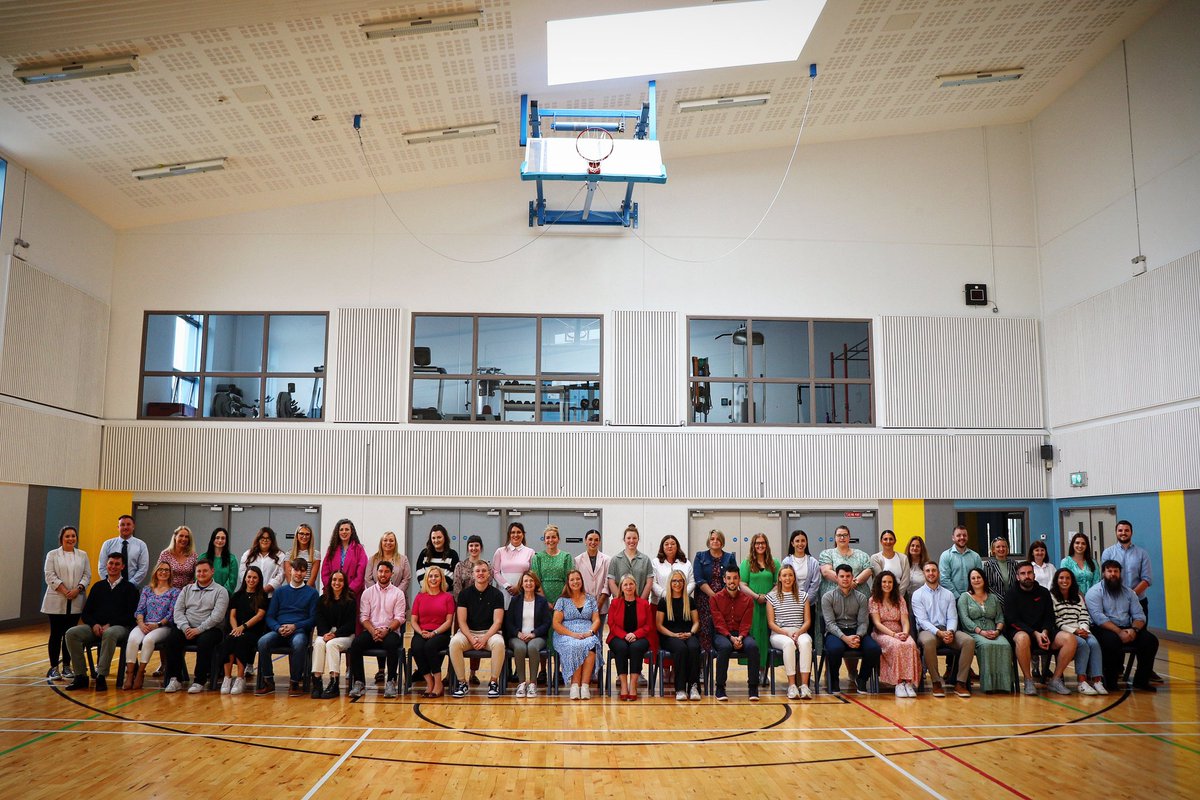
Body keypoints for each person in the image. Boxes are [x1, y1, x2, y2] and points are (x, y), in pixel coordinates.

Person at [63, 551, 139, 691]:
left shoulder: (130, 588)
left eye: (117, 564)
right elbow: (86, 613)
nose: (113, 566)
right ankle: (80, 676)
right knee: (71, 633)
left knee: (109, 633)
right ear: (106, 565)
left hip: (119, 627)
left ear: (122, 567)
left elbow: (131, 615)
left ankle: (101, 676)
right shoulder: (98, 587)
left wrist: (110, 624)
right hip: (96, 627)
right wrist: (94, 624)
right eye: (111, 563)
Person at [1085, 559, 1159, 693]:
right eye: (1109, 571)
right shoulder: (1094, 592)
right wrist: (1119, 632)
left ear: (1120, 574)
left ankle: (1141, 681)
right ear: (1103, 573)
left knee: (1150, 641)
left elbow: (1139, 615)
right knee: (1111, 642)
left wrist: (1134, 630)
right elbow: (1098, 618)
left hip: (1128, 628)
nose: (1113, 574)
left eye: (1116, 571)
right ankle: (1111, 681)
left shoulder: (1129, 593)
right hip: (1103, 628)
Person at [1005, 561, 1077, 696]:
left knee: (1070, 639)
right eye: (1023, 573)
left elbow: (1049, 617)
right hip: (1022, 632)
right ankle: (1028, 680)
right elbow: (1012, 620)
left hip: (1043, 632)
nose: (1027, 576)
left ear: (1034, 575)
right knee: (1022, 638)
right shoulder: (1011, 594)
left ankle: (1055, 680)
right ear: (1017, 577)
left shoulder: (1043, 592)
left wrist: (1044, 632)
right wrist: (1034, 634)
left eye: (1029, 573)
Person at [255, 557, 319, 697]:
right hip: (280, 630)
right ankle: (268, 681)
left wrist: (295, 626)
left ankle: (295, 682)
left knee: (299, 643)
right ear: (290, 570)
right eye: (296, 570)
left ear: (305, 574)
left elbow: (313, 619)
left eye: (302, 571)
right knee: (263, 642)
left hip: (298, 631)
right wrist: (278, 628)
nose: (298, 574)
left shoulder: (312, 593)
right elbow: (270, 616)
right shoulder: (280, 592)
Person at [163, 558, 229, 694]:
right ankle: (175, 679)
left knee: (205, 641)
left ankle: (199, 680)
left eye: (205, 571)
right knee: (172, 639)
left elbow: (217, 617)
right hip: (187, 628)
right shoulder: (187, 589)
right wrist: (185, 627)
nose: (201, 574)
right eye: (199, 571)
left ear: (212, 571)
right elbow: (178, 611)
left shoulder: (221, 591)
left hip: (210, 629)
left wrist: (198, 630)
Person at [911, 561, 974, 698]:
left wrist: (950, 632)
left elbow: (952, 617)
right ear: (924, 574)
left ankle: (960, 683)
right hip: (928, 631)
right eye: (928, 571)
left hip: (947, 630)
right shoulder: (917, 594)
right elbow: (922, 621)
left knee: (968, 641)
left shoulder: (948, 594)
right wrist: (938, 632)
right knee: (928, 642)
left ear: (938, 573)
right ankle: (936, 682)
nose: (931, 573)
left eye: (934, 570)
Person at [347, 560, 406, 699]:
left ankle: (391, 681)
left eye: (386, 571)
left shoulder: (398, 594)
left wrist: (387, 630)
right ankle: (359, 681)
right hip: (371, 631)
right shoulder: (367, 593)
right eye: (380, 571)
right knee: (355, 644)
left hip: (390, 631)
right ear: (376, 573)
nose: (383, 574)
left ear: (391, 574)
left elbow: (400, 618)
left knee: (392, 644)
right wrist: (373, 631)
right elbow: (364, 617)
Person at [822, 564, 881, 695]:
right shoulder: (827, 597)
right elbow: (830, 623)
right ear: (836, 578)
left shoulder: (861, 597)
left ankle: (862, 679)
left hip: (856, 631)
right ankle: (834, 680)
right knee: (835, 649)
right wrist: (844, 638)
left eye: (848, 576)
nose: (845, 579)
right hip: (836, 632)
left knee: (874, 649)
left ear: (852, 577)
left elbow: (863, 622)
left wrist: (857, 637)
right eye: (842, 576)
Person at [449, 561, 505, 698]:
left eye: (484, 571)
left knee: (499, 643)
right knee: (454, 643)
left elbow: (497, 622)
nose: (481, 573)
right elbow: (461, 621)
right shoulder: (464, 594)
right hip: (469, 634)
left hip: (489, 634)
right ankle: (462, 683)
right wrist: (471, 638)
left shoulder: (497, 594)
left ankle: (493, 683)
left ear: (489, 574)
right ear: (473, 574)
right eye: (478, 571)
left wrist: (484, 638)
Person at [41, 525, 90, 680]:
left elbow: (87, 575)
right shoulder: (53, 554)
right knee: (56, 634)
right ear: (61, 538)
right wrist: (64, 590)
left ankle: (67, 666)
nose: (70, 539)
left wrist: (78, 589)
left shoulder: (82, 555)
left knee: (70, 634)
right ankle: (54, 667)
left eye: (73, 536)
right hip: (56, 599)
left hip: (76, 599)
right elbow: (49, 575)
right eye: (67, 536)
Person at [123, 562, 180, 690]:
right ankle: (129, 674)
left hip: (163, 627)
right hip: (144, 624)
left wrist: (158, 624)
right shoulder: (147, 589)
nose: (163, 572)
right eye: (160, 569)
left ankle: (140, 673)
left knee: (149, 640)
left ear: (170, 574)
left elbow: (172, 614)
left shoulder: (175, 592)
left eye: (167, 570)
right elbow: (140, 609)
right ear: (155, 572)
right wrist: (141, 623)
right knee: (132, 639)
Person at [956, 567, 1013, 694]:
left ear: (983, 579)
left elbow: (1000, 617)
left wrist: (997, 631)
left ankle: (1004, 684)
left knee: (1006, 645)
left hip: (993, 631)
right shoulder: (964, 598)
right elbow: (965, 619)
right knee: (986, 645)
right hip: (974, 632)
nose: (976, 580)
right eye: (973, 578)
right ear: (969, 581)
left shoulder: (993, 598)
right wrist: (981, 632)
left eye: (978, 577)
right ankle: (989, 685)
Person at [1051, 568, 1105, 696]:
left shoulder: (1078, 597)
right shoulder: (1051, 597)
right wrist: (1075, 631)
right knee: (1082, 644)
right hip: (1065, 631)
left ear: (1072, 581)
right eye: (1061, 578)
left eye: (1068, 578)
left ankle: (1097, 680)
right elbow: (1057, 620)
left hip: (1081, 629)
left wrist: (1084, 629)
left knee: (1094, 643)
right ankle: (1082, 681)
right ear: (1056, 580)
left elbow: (1084, 616)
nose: (1064, 581)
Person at [368, 530, 413, 683]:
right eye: (385, 540)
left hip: (398, 603)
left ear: (395, 543)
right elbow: (368, 579)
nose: (388, 543)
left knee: (393, 638)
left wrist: (393, 594)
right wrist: (379, 593)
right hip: (376, 603)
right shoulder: (373, 559)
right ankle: (381, 670)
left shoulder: (402, 559)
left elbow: (407, 578)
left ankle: (393, 673)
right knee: (378, 633)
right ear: (381, 542)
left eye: (391, 540)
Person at [711, 564, 759, 701]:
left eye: (735, 578)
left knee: (753, 647)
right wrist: (731, 638)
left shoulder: (748, 600)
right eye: (729, 578)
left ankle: (753, 687)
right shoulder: (715, 599)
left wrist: (740, 637)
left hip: (742, 634)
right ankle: (720, 687)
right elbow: (718, 623)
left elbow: (746, 623)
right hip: (722, 635)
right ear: (724, 580)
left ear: (739, 579)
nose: (732, 581)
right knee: (725, 647)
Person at [217, 565, 268, 696]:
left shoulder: (262, 595)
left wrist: (243, 628)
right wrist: (235, 629)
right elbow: (232, 616)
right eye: (249, 577)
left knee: (241, 641)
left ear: (259, 579)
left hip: (253, 632)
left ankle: (240, 678)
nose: (251, 580)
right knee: (229, 640)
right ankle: (227, 678)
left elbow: (260, 615)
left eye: (254, 578)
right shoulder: (237, 595)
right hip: (237, 629)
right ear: (245, 578)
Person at [869, 570, 920, 698]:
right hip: (882, 633)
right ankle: (898, 683)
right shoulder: (873, 600)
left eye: (890, 582)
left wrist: (905, 633)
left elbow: (904, 620)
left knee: (910, 644)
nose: (887, 584)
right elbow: (877, 623)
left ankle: (908, 682)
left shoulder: (900, 599)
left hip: (899, 632)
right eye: (884, 582)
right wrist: (893, 635)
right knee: (897, 646)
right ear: (879, 584)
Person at [766, 564, 813, 700]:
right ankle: (792, 686)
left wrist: (798, 633)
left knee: (805, 643)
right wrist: (785, 633)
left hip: (799, 631)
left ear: (794, 578)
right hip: (779, 634)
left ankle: (804, 686)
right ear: (779, 578)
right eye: (784, 575)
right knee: (789, 645)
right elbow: (771, 623)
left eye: (790, 575)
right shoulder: (772, 597)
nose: (787, 578)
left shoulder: (803, 596)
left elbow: (807, 621)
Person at [553, 569, 601, 700]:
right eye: (572, 580)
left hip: (586, 632)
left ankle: (584, 685)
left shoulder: (590, 599)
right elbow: (556, 624)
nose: (575, 582)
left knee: (590, 646)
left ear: (582, 581)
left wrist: (590, 632)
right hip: (566, 634)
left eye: (578, 579)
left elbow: (596, 619)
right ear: (568, 583)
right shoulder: (562, 600)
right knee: (575, 646)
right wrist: (572, 634)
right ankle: (574, 685)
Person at [608, 574, 657, 701]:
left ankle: (633, 685)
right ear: (621, 588)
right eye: (625, 584)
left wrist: (635, 634)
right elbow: (611, 625)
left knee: (636, 647)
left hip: (640, 637)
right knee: (622, 647)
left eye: (631, 584)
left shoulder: (644, 603)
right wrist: (625, 635)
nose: (628, 587)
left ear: (635, 586)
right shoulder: (615, 603)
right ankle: (624, 685)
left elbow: (649, 625)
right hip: (618, 636)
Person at [409, 565, 455, 698]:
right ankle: (429, 682)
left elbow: (448, 621)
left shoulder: (447, 597)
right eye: (430, 576)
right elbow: (413, 620)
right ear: (426, 579)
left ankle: (438, 683)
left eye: (436, 576)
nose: (433, 579)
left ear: (441, 579)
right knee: (417, 647)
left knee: (430, 646)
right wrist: (421, 631)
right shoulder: (420, 597)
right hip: (421, 631)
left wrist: (434, 633)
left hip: (441, 633)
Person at [657, 568, 702, 701]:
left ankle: (694, 687)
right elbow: (659, 625)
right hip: (669, 636)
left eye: (680, 581)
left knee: (694, 647)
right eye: (674, 581)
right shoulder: (664, 601)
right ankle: (680, 688)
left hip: (688, 634)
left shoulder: (690, 600)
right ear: (670, 583)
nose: (677, 583)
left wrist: (690, 633)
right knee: (681, 649)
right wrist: (674, 635)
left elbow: (696, 622)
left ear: (684, 582)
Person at [504, 571, 551, 698]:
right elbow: (509, 622)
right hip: (517, 636)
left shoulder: (542, 601)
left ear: (535, 583)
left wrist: (534, 634)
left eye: (531, 581)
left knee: (531, 647)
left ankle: (532, 684)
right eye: (526, 581)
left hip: (536, 637)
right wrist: (517, 633)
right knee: (520, 648)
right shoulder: (515, 600)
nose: (528, 583)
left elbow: (547, 623)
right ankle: (522, 683)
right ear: (522, 584)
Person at [311, 569, 356, 699]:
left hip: (345, 635)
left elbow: (350, 625)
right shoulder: (322, 600)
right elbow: (319, 620)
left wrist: (334, 635)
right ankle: (317, 682)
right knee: (318, 644)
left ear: (345, 583)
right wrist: (326, 633)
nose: (337, 583)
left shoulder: (351, 600)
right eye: (334, 580)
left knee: (331, 645)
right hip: (326, 634)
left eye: (340, 580)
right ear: (330, 582)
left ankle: (334, 682)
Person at [451, 533, 489, 687]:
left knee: (478, 639)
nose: (474, 548)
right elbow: (457, 587)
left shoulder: (487, 565)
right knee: (457, 640)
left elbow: (488, 586)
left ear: (480, 548)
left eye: (476, 545)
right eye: (471, 545)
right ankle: (452, 674)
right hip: (462, 608)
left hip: (480, 609)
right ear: (468, 548)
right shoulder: (460, 566)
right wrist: (464, 604)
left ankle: (473, 673)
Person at [693, 529, 738, 656]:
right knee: (704, 632)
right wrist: (714, 596)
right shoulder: (700, 556)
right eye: (712, 539)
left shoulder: (729, 557)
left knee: (721, 630)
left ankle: (719, 664)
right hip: (704, 601)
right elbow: (699, 579)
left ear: (722, 542)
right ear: (708, 541)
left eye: (718, 539)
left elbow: (734, 577)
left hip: (725, 601)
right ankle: (703, 665)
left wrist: (721, 597)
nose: (715, 541)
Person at [740, 533, 779, 670]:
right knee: (754, 636)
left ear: (766, 545)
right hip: (752, 605)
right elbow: (742, 584)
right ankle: (754, 671)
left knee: (767, 637)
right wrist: (756, 596)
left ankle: (765, 670)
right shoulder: (746, 563)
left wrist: (767, 596)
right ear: (753, 545)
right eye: (757, 543)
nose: (760, 545)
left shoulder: (774, 563)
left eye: (763, 543)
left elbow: (778, 583)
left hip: (770, 605)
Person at [818, 525, 873, 599]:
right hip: (833, 599)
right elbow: (826, 572)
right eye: (839, 535)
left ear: (849, 537)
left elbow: (869, 570)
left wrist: (855, 582)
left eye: (845, 535)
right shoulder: (827, 554)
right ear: (835, 537)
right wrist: (847, 583)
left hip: (859, 598)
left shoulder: (861, 555)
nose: (842, 538)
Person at [97, 514, 149, 587]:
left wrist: (129, 584)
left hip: (132, 587)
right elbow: (102, 567)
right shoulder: (107, 544)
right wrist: (110, 583)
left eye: (128, 524)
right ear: (118, 527)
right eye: (122, 525)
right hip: (110, 587)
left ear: (133, 527)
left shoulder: (141, 545)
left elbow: (143, 569)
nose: (125, 527)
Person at [322, 519, 370, 598]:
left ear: (351, 532)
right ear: (338, 532)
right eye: (341, 529)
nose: (344, 532)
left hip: (351, 594)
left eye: (347, 529)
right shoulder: (331, 549)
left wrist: (349, 591)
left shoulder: (359, 549)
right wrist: (332, 589)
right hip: (332, 593)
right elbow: (325, 572)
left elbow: (361, 573)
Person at [607, 523, 653, 601]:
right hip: (620, 604)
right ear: (624, 539)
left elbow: (649, 583)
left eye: (634, 538)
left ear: (638, 539)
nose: (631, 541)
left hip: (641, 603)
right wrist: (621, 601)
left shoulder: (646, 560)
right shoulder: (615, 560)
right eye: (628, 538)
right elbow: (611, 582)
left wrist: (640, 602)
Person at [492, 521, 532, 608]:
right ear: (509, 535)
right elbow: (495, 572)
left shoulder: (530, 552)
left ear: (523, 534)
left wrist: (519, 587)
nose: (516, 535)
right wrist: (507, 586)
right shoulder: (500, 551)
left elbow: (532, 574)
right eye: (513, 532)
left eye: (519, 532)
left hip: (523, 592)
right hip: (504, 593)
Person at [531, 525, 574, 604]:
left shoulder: (566, 557)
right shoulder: (537, 557)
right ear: (544, 540)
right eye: (547, 538)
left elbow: (569, 580)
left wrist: (560, 601)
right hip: (542, 598)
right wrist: (545, 602)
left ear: (558, 539)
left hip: (563, 598)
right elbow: (536, 581)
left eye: (553, 537)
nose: (550, 540)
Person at [575, 529, 611, 620]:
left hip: (601, 603)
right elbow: (577, 583)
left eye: (596, 540)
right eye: (590, 539)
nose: (593, 542)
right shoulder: (578, 560)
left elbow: (607, 583)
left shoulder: (606, 560)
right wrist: (586, 602)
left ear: (599, 542)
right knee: (585, 631)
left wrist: (599, 603)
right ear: (585, 541)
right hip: (583, 603)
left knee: (598, 632)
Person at [938, 525, 982, 598]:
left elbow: (980, 578)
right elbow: (944, 579)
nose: (962, 537)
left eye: (964, 535)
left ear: (967, 537)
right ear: (953, 537)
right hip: (952, 599)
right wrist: (958, 597)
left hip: (973, 599)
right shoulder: (945, 556)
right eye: (958, 535)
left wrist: (972, 596)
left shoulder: (975, 556)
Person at [239, 526, 285, 596]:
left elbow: (281, 575)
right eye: (262, 538)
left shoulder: (280, 555)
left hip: (271, 596)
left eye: (268, 538)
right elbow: (242, 573)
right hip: (251, 595)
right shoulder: (248, 554)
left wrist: (266, 589)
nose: (265, 540)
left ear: (272, 540)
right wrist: (252, 588)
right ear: (258, 539)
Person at [651, 534, 694, 603]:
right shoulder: (655, 562)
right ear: (662, 547)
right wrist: (666, 595)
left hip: (682, 602)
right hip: (660, 603)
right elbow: (653, 583)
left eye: (673, 544)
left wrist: (682, 595)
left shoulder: (686, 563)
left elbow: (692, 582)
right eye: (666, 544)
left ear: (677, 546)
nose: (670, 546)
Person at [781, 529, 822, 602]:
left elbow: (815, 585)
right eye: (797, 541)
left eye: (803, 541)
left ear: (806, 543)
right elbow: (783, 582)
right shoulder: (786, 562)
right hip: (790, 602)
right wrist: (794, 601)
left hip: (809, 603)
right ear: (792, 543)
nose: (800, 544)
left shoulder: (813, 562)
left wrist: (805, 601)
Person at [870, 530, 911, 599]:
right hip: (881, 595)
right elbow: (880, 579)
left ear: (895, 541)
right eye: (885, 539)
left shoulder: (903, 558)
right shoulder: (875, 558)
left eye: (891, 539)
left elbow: (905, 580)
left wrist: (898, 597)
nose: (888, 541)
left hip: (900, 596)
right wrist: (887, 597)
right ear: (881, 541)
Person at [200, 527, 238, 597]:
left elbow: (232, 582)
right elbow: (198, 577)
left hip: (224, 597)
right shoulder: (202, 557)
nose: (220, 540)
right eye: (217, 538)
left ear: (226, 541)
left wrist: (220, 594)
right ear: (213, 539)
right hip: (204, 595)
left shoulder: (232, 559)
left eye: (223, 538)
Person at [157, 525, 197, 590]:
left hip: (188, 592)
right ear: (175, 537)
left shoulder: (193, 555)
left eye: (186, 537)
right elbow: (159, 573)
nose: (184, 539)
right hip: (169, 592)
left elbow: (196, 575)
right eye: (181, 536)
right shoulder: (165, 554)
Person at [983, 536, 1017, 608]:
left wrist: (1012, 599)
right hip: (996, 603)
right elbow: (988, 586)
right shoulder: (988, 565)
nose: (1001, 549)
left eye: (1003, 546)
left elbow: (1018, 583)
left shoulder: (1014, 564)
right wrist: (1003, 600)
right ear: (993, 550)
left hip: (1014, 601)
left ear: (1007, 548)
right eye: (998, 547)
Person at [285, 523, 321, 588]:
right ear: (297, 536)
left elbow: (313, 577)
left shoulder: (316, 554)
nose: (304, 536)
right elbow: (288, 576)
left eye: (307, 534)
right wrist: (295, 589)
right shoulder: (289, 554)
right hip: (293, 589)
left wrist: (304, 592)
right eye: (301, 533)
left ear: (310, 537)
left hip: (309, 589)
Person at [904, 536, 930, 604]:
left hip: (922, 601)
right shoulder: (902, 564)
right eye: (912, 545)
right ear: (909, 547)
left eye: (918, 546)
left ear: (922, 549)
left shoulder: (927, 567)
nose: (915, 548)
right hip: (905, 601)